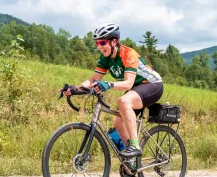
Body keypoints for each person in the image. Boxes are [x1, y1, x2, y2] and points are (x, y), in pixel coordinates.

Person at [64, 23, 163, 162]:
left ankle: (135, 146)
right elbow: (93, 79)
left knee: (123, 101)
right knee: (118, 124)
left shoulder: (128, 54)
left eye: (102, 42)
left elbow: (128, 83)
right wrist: (75, 89)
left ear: (114, 41)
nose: (99, 46)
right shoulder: (105, 58)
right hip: (135, 88)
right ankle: (132, 162)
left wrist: (108, 84)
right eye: (97, 43)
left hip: (152, 85)